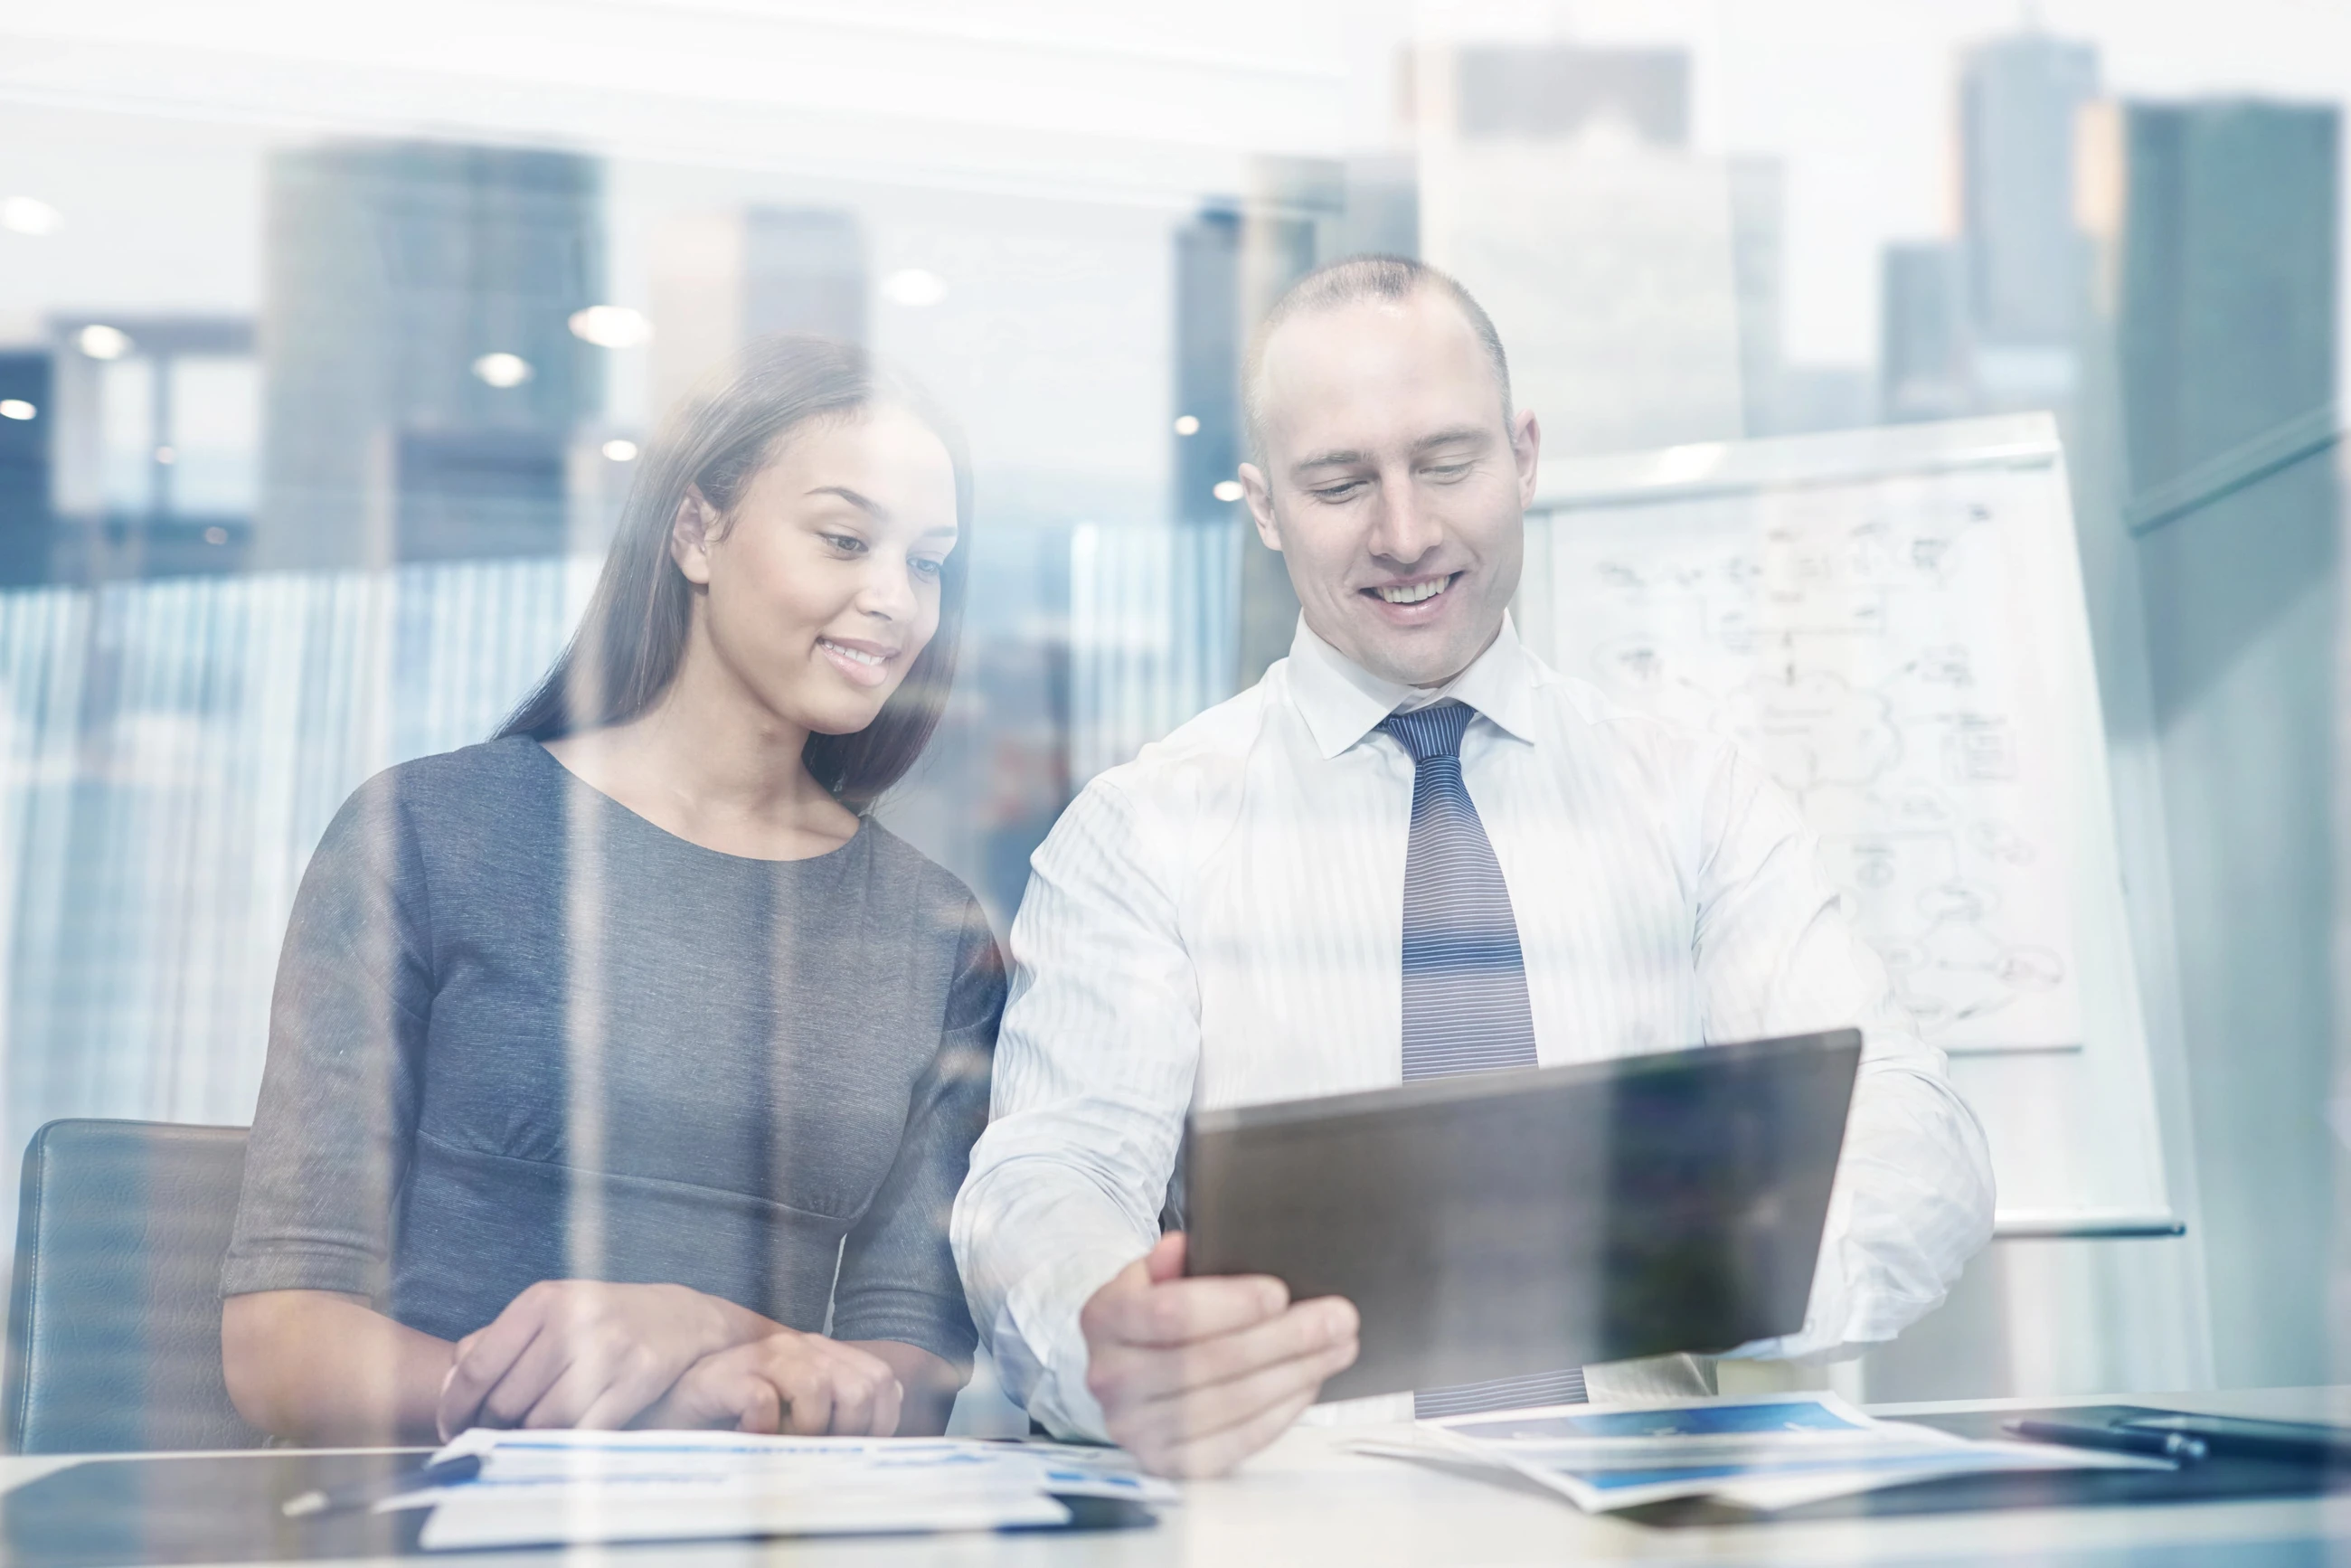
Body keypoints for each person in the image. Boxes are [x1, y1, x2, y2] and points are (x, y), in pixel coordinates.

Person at [952, 257, 1996, 1478]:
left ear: (1525, 455)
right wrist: (1105, 1324)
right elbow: (1049, 1169)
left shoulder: (1697, 798)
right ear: (1266, 509)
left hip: (1648, 1524)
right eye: (1339, 483)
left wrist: (1686, 1253)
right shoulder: (1144, 831)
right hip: (1297, 1533)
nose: (1405, 533)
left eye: (1446, 463)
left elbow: (1917, 1133)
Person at [221, 336, 1003, 1446]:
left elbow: (906, 1366)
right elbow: (280, 1343)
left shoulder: (935, 934)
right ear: (696, 531)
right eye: (843, 539)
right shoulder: (432, 835)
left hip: (764, 1518)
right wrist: (589, 1401)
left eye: (927, 561)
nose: (892, 600)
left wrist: (699, 1334)